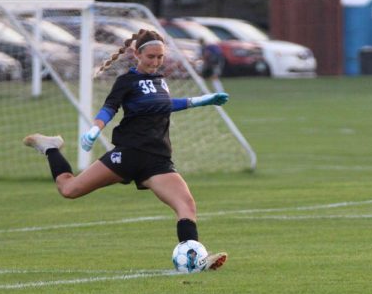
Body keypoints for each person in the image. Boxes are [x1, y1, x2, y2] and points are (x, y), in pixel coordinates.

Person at [24, 28, 229, 272]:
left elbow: (162, 105)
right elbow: (109, 108)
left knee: (186, 205)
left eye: (160, 57)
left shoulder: (160, 81)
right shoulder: (126, 81)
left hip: (157, 160)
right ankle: (50, 148)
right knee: (69, 189)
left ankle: (194, 257)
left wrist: (199, 101)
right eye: (151, 57)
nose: (155, 62)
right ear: (136, 54)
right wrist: (95, 130)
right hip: (128, 155)